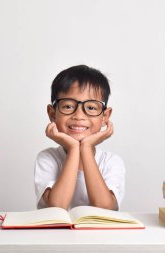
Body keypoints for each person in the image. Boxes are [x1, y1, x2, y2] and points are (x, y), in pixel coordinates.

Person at [34, 65, 125, 211]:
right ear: (52, 114)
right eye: (68, 106)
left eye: (91, 107)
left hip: (100, 234)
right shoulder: (47, 158)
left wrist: (86, 149)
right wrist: (74, 149)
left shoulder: (111, 162)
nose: (79, 116)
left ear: (105, 117)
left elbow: (104, 208)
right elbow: (57, 207)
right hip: (54, 234)